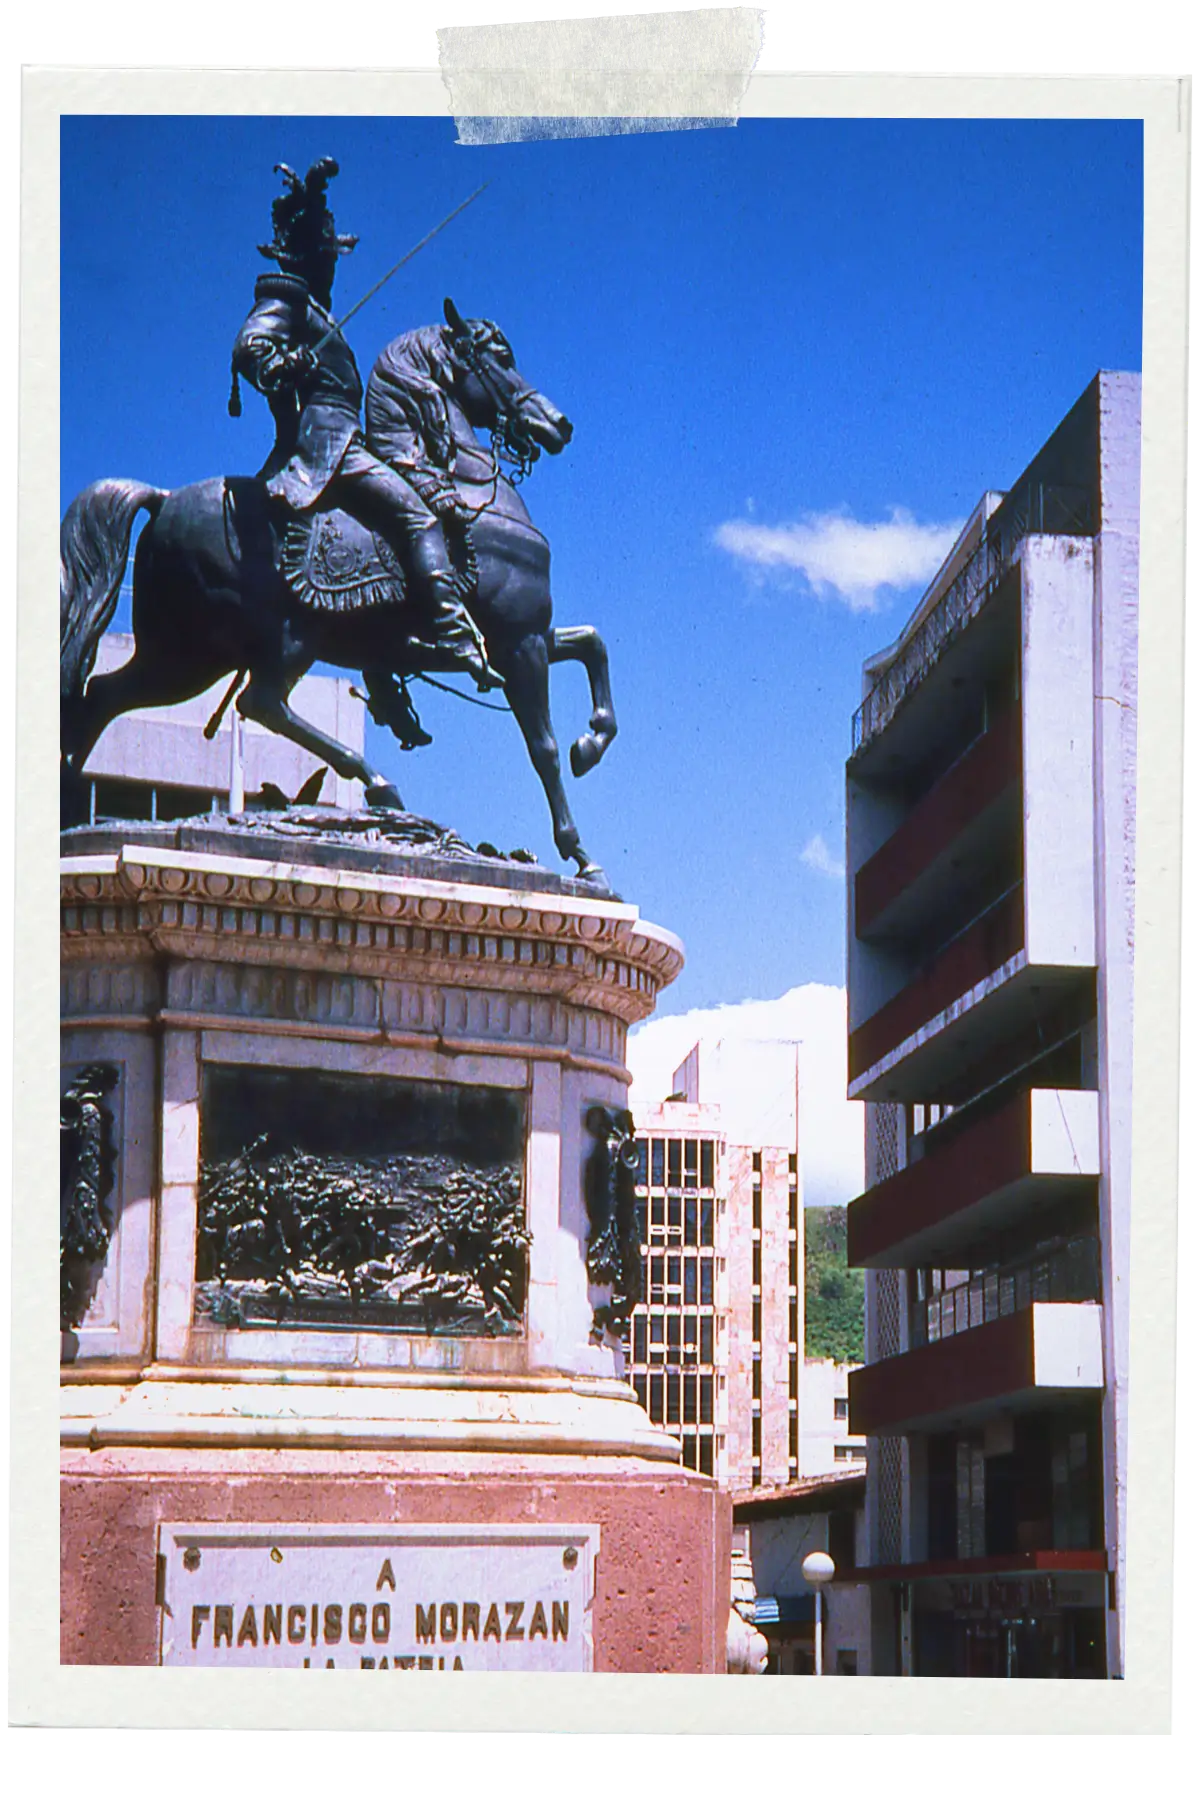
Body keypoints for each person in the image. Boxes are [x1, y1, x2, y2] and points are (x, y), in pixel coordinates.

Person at [229, 158, 501, 690]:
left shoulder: (316, 312)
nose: (332, 267)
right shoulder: (288, 299)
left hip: (347, 439)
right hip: (325, 444)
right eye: (327, 256)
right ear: (308, 256)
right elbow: (249, 346)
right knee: (417, 518)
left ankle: (383, 676)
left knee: (375, 548)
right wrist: (285, 363)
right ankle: (451, 631)